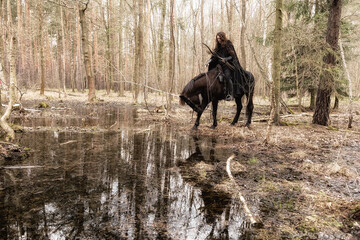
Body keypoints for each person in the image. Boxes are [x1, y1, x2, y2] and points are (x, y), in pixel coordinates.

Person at [206, 32, 242, 101]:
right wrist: (208, 62)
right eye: (217, 39)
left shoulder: (228, 43)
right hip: (219, 65)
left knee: (227, 76)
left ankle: (230, 94)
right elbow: (214, 57)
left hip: (227, 65)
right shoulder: (218, 46)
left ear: (223, 37)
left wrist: (225, 59)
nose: (218, 40)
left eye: (219, 38)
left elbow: (232, 56)